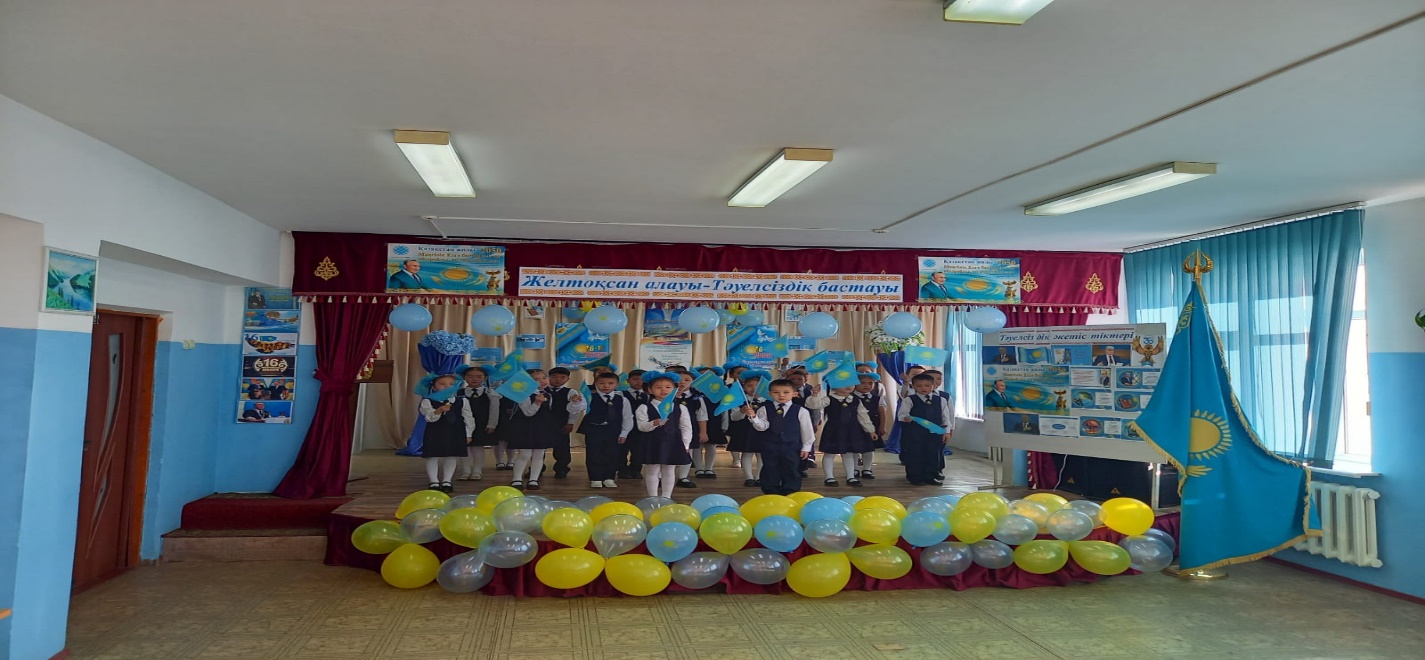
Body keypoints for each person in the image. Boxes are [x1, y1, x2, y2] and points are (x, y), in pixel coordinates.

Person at [747, 379, 815, 496]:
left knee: (792, 469)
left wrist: (806, 447)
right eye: (776, 392)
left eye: (786, 392)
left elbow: (807, 430)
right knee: (770, 468)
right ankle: (771, 492)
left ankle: (790, 492)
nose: (781, 395)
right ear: (769, 393)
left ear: (794, 393)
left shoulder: (801, 411)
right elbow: (762, 427)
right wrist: (754, 418)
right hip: (770, 445)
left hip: (792, 445)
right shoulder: (764, 409)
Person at [632, 372, 692, 498]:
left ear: (674, 389)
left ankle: (666, 497)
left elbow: (686, 427)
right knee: (652, 470)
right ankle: (653, 497)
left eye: (668, 387)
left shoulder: (680, 408)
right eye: (658, 387)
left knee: (669, 470)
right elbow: (641, 426)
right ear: (650, 390)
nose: (663, 390)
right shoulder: (644, 407)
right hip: (652, 442)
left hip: (672, 442)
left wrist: (686, 444)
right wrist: (654, 423)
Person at [810, 385, 875, 487]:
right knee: (829, 454)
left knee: (849, 454)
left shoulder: (855, 400)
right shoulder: (829, 399)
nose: (848, 386)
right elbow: (814, 405)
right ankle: (829, 477)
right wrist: (815, 394)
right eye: (844, 383)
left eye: (851, 383)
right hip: (833, 431)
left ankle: (851, 476)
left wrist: (871, 430)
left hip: (851, 431)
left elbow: (863, 416)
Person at [419, 375, 475, 493]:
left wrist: (468, 434)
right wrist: (438, 411)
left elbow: (468, 418)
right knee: (432, 456)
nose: (447, 386)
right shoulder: (427, 401)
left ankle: (447, 481)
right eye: (442, 384)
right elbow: (429, 418)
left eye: (451, 384)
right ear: (434, 387)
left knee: (451, 455)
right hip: (435, 432)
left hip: (455, 432)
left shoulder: (462, 401)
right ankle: (433, 481)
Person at [897, 373, 954, 486]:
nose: (923, 388)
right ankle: (915, 477)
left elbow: (945, 418)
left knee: (933, 454)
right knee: (915, 454)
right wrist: (907, 418)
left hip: (935, 433)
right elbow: (901, 415)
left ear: (933, 386)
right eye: (919, 386)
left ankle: (931, 476)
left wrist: (947, 431)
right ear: (913, 386)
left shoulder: (941, 400)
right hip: (915, 433)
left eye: (927, 385)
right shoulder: (909, 400)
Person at [507, 369, 561, 490]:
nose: (542, 381)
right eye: (536, 379)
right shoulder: (524, 394)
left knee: (539, 454)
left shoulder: (548, 395)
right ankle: (516, 479)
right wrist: (537, 402)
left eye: (544, 378)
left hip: (541, 428)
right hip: (525, 428)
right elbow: (528, 413)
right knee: (524, 454)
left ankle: (534, 479)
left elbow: (547, 411)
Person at [579, 371, 632, 488]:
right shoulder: (589, 397)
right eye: (602, 383)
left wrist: (624, 433)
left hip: (613, 431)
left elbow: (627, 417)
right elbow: (578, 408)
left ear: (617, 384)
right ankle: (595, 478)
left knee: (612, 454)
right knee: (594, 454)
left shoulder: (622, 400)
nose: (606, 386)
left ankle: (609, 477)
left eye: (610, 383)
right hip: (594, 430)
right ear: (596, 383)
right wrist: (576, 401)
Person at [457, 367, 501, 481]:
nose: (474, 379)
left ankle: (477, 471)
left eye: (479, 376)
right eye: (470, 376)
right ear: (464, 377)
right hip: (463, 424)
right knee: (464, 448)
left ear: (485, 378)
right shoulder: (458, 393)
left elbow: (494, 409)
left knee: (478, 448)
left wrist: (492, 424)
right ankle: (465, 471)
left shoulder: (490, 393)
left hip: (482, 424)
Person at [543, 367, 586, 479]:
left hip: (561, 423)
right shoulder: (542, 390)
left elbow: (574, 410)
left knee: (562, 448)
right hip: (542, 424)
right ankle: (537, 469)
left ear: (568, 379)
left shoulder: (571, 392)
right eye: (554, 377)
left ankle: (561, 469)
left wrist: (570, 423)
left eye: (562, 377)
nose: (558, 380)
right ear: (548, 378)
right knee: (539, 448)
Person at [727, 371, 768, 486]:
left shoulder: (767, 401)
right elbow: (734, 417)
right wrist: (742, 411)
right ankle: (749, 477)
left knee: (761, 454)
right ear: (744, 387)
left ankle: (759, 477)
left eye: (757, 386)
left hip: (762, 431)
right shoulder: (740, 400)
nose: (753, 389)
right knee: (747, 453)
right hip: (744, 431)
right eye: (749, 386)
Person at [676, 371, 712, 485]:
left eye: (687, 380)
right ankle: (663, 477)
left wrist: (703, 432)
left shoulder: (697, 397)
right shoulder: (667, 395)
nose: (682, 382)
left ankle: (683, 476)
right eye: (679, 380)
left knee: (688, 451)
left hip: (690, 429)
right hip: (671, 429)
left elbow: (702, 416)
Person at [619, 369, 650, 479]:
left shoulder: (647, 396)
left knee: (638, 450)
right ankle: (622, 470)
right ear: (628, 381)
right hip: (624, 427)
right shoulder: (621, 394)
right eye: (635, 379)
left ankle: (636, 470)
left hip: (640, 428)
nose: (638, 382)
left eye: (641, 380)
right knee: (622, 450)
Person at [854, 373, 889, 463]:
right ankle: (856, 464)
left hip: (872, 425)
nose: (866, 385)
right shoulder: (851, 397)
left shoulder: (877, 398)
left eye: (870, 383)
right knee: (855, 445)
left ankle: (867, 467)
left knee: (869, 447)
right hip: (855, 425)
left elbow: (882, 413)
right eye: (862, 383)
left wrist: (882, 426)